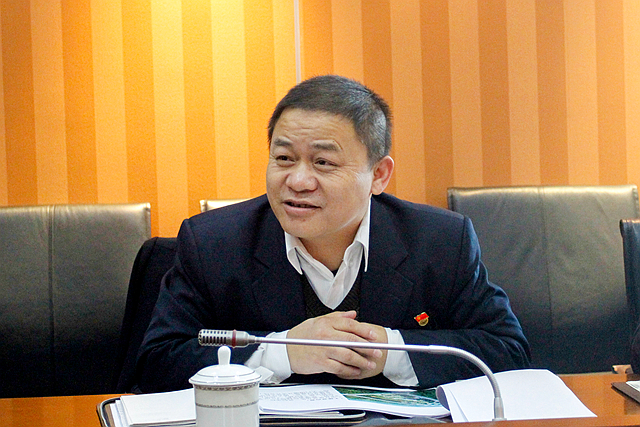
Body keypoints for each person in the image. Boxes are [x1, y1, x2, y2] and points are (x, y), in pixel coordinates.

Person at [135, 75, 530, 393]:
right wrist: (283, 353)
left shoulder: (440, 240)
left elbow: (508, 350)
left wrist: (390, 351)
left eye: (323, 162)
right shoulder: (213, 243)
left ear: (379, 175)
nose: (298, 181)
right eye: (284, 158)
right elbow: (156, 363)